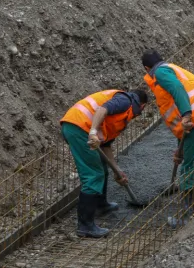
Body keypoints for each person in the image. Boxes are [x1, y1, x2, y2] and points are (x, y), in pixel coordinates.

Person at [140, 50, 194, 226]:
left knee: (191, 167)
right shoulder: (175, 69)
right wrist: (181, 149)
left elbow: (177, 90)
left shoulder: (160, 72)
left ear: (147, 68)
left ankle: (188, 216)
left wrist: (186, 114)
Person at [60, 88, 149, 238]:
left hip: (78, 126)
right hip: (79, 127)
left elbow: (106, 146)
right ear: (143, 106)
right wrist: (93, 131)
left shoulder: (122, 118)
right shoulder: (125, 100)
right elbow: (102, 109)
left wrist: (117, 171)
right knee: (93, 174)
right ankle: (85, 226)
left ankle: (101, 205)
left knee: (102, 166)